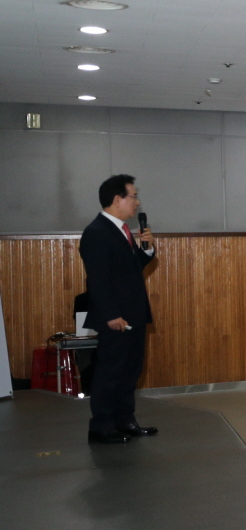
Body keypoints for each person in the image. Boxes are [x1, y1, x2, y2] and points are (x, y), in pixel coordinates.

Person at [79, 174, 158, 444]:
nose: (137, 202)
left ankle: (125, 420)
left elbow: (128, 271)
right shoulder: (97, 232)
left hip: (133, 313)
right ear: (117, 199)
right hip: (116, 316)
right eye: (133, 196)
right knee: (111, 371)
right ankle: (101, 425)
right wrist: (111, 314)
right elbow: (98, 280)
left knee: (130, 370)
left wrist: (145, 250)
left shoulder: (121, 230)